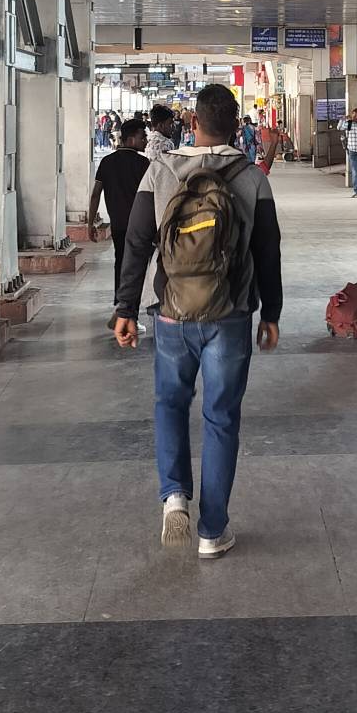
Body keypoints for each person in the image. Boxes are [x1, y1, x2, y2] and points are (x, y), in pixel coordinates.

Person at [114, 82, 282, 560]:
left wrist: (125, 308)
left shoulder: (160, 171)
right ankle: (213, 530)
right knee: (221, 418)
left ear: (193, 123)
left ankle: (174, 495)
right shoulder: (252, 177)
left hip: (171, 313)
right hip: (230, 314)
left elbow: (136, 243)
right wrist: (271, 312)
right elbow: (267, 251)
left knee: (170, 404)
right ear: (236, 127)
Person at [88, 119, 150, 327]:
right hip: (140, 225)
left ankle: (120, 306)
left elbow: (96, 194)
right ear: (131, 139)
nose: (146, 140)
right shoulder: (143, 164)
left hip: (118, 225)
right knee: (138, 267)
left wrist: (90, 223)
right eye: (143, 137)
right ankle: (129, 313)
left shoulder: (107, 162)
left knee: (121, 262)